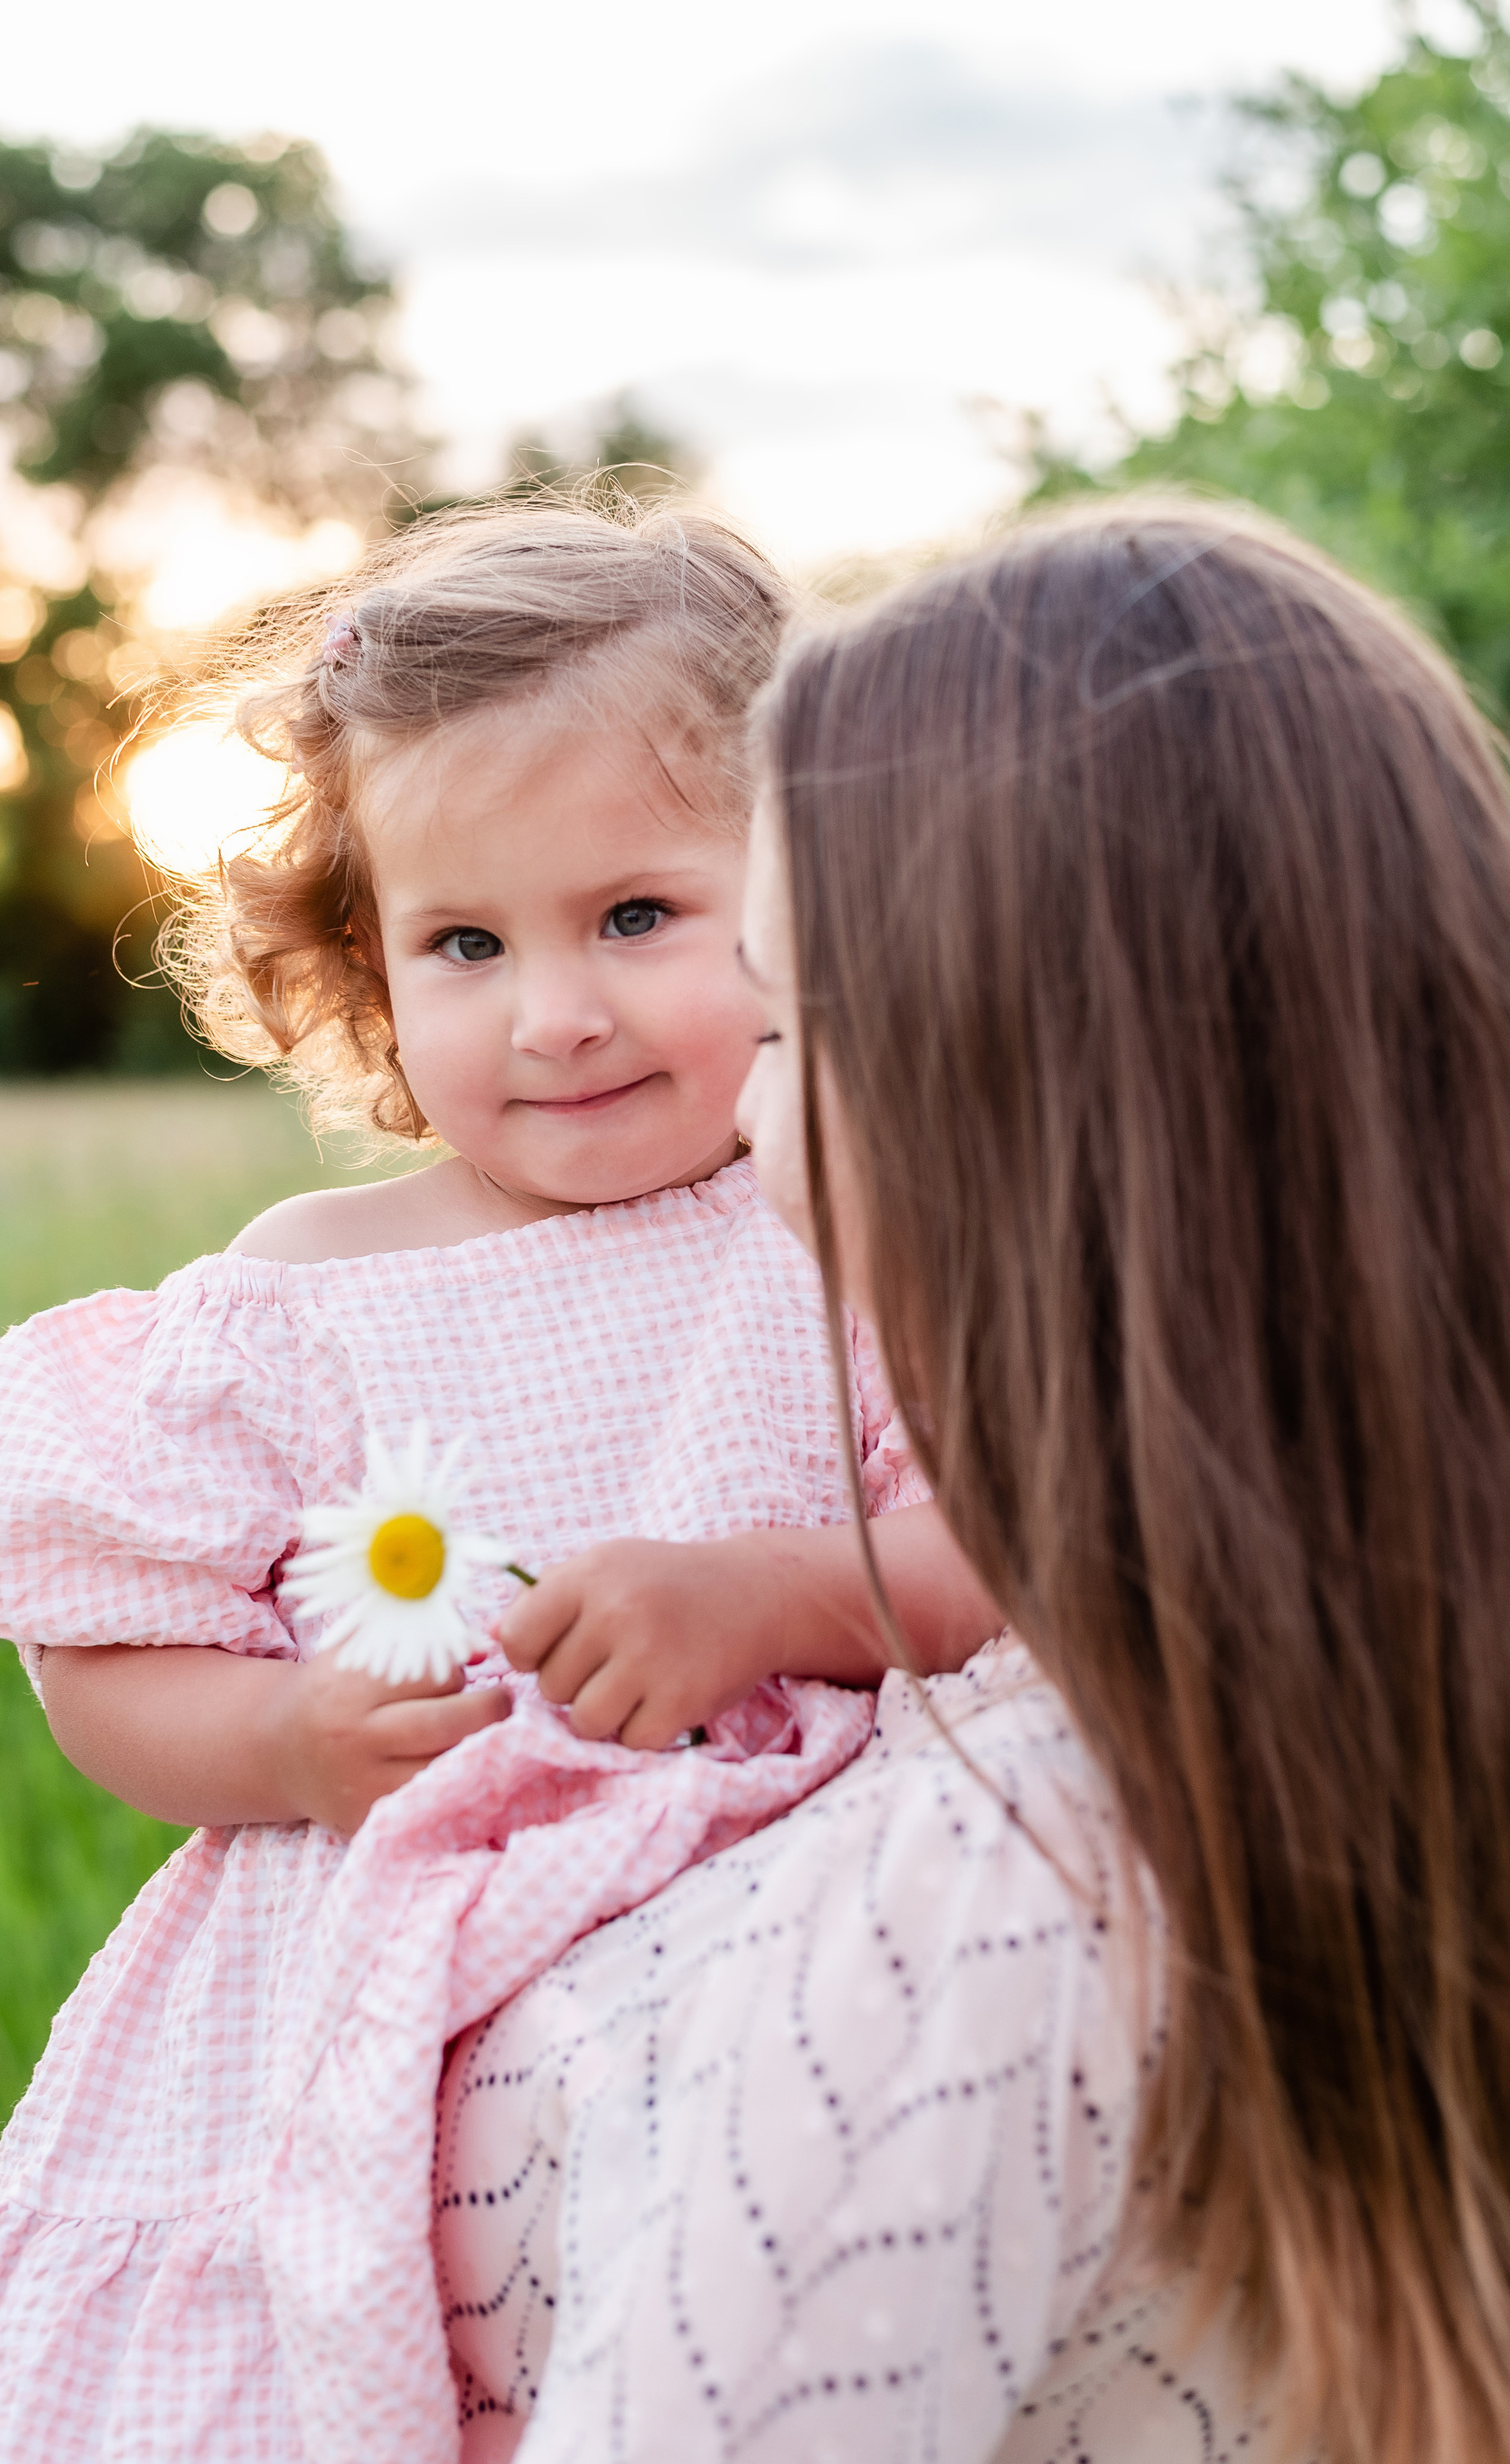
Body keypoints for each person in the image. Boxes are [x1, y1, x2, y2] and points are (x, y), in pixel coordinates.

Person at [0, 499, 995, 2463]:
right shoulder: (309, 1294)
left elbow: (1019, 1551)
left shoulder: (856, 1226)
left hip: (764, 1995)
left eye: (638, 917)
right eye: (465, 943)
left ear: (810, 900)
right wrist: (292, 1737)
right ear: (365, 972)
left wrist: (777, 1594)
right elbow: (107, 1656)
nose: (554, 1011)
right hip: (348, 2022)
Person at [423, 496, 1510, 2464]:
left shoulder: (1012, 1867)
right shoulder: (1348, 1700)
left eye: (794, 1003)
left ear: (973, 1093)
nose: (752, 1098)